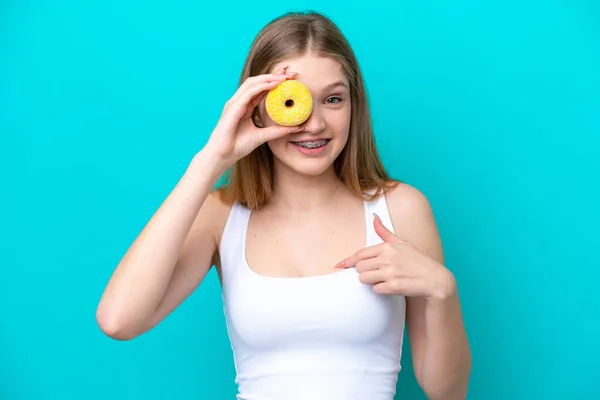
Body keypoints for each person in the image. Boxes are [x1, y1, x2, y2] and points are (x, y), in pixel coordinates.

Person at [96, 10, 472, 400]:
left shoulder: (401, 209)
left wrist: (443, 291)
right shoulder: (221, 216)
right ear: (256, 106)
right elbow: (118, 319)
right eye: (294, 101)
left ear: (354, 104)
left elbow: (447, 393)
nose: (315, 124)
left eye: (333, 99)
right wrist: (212, 159)